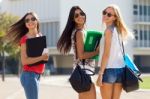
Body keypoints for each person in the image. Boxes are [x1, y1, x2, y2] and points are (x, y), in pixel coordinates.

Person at [57, 6, 99, 99]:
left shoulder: (81, 31)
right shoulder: (79, 32)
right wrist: (97, 52)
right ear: (73, 19)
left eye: (82, 14)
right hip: (83, 73)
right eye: (76, 15)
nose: (80, 16)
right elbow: (81, 55)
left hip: (81, 73)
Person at [6, 12, 49, 99]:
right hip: (29, 76)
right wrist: (42, 57)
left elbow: (44, 55)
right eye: (27, 20)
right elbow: (24, 61)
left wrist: (46, 56)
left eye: (33, 19)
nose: (30, 21)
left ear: (37, 21)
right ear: (25, 24)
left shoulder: (40, 36)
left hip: (37, 75)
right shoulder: (24, 39)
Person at [96, 4, 132, 99]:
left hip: (109, 70)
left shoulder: (108, 31)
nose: (105, 15)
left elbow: (106, 54)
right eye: (104, 12)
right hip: (120, 70)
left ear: (115, 18)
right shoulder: (119, 31)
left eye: (109, 14)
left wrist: (100, 74)